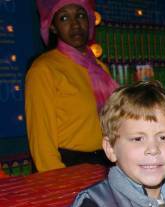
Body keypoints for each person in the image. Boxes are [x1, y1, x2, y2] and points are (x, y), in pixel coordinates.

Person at [26, 0, 118, 172]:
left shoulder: (99, 69)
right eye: (64, 18)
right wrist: (58, 181)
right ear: (53, 27)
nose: (75, 24)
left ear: (90, 21)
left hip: (106, 163)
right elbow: (41, 140)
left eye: (80, 15)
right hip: (68, 166)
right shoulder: (44, 69)